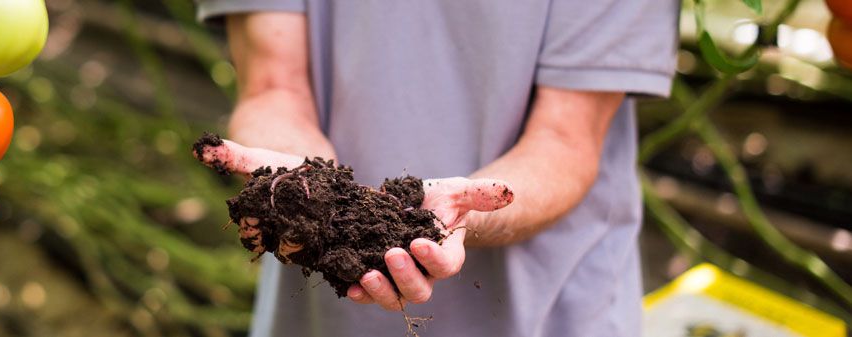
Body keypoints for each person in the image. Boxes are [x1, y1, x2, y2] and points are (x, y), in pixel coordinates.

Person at [193, 1, 679, 336]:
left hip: (547, 313)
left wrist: (468, 210)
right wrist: (302, 194)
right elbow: (273, 87)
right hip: (320, 318)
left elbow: (566, 139)